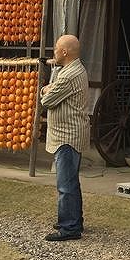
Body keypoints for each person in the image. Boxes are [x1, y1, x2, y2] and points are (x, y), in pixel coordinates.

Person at [40, 33, 90, 242]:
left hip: (67, 136)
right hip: (70, 133)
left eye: (55, 50)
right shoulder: (72, 69)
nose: (53, 53)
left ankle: (69, 227)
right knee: (71, 181)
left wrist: (45, 89)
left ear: (64, 52)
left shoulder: (69, 75)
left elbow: (47, 101)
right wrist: (50, 88)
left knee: (65, 184)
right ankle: (74, 220)